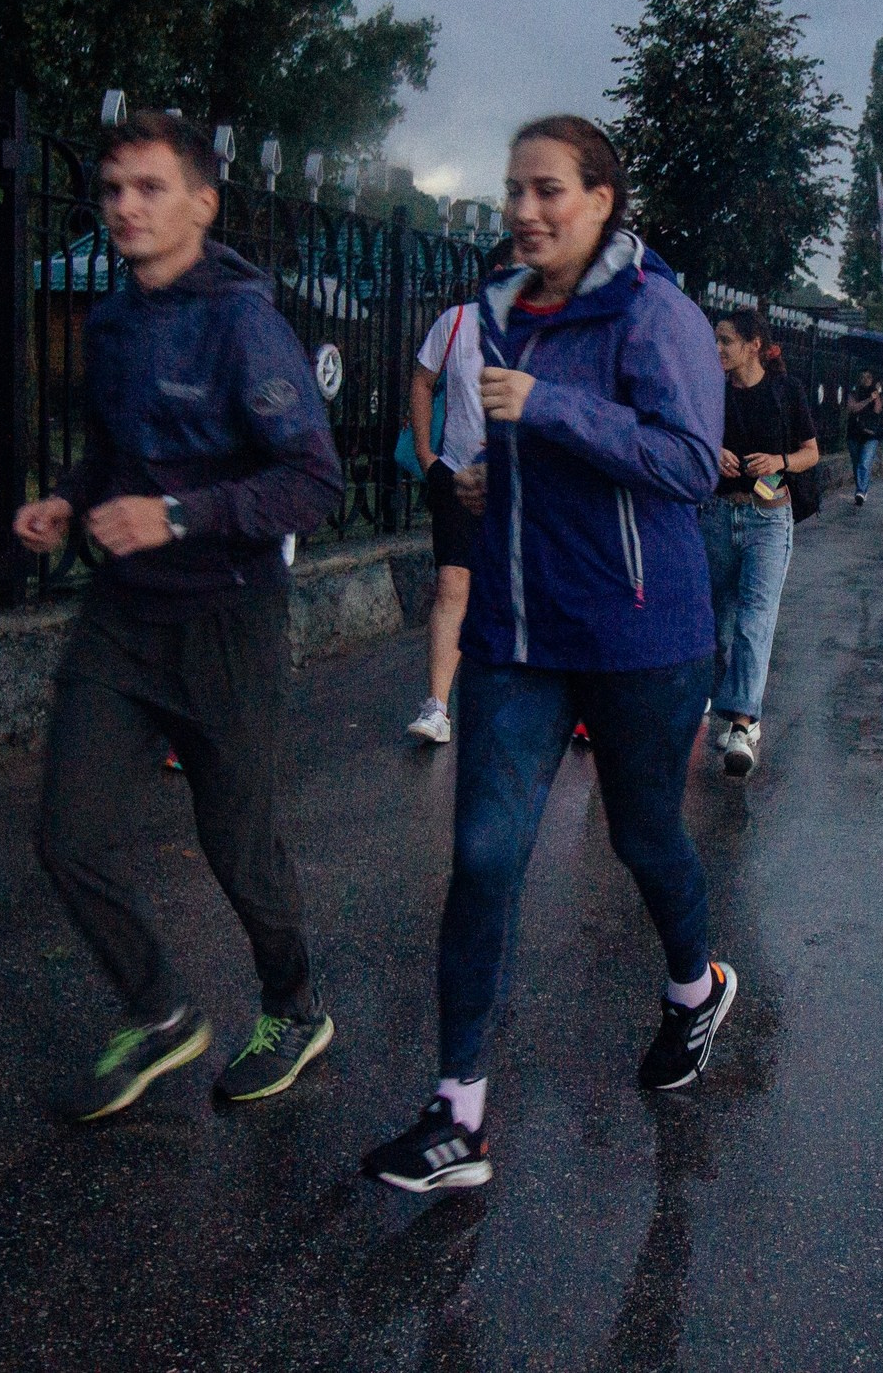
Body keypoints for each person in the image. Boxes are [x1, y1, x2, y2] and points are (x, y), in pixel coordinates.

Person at [364, 116, 735, 1194]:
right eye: (512, 190)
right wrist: (492, 482)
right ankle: (456, 1116)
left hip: (639, 636)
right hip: (518, 633)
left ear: (600, 202)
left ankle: (692, 988)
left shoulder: (653, 314)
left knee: (641, 834)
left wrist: (552, 409)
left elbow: (686, 465)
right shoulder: (498, 313)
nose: (523, 210)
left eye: (546, 191)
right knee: (483, 856)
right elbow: (538, 457)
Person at [12, 110, 343, 1123]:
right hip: (121, 620)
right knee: (67, 834)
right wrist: (71, 499)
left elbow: (312, 482)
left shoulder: (244, 323)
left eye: (148, 188)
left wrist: (175, 515)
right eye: (112, 190)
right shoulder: (110, 324)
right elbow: (116, 450)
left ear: (203, 203)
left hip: (225, 621)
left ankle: (293, 1010)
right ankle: (159, 1014)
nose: (123, 208)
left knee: (237, 843)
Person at [406, 240, 516, 745]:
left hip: (520, 485)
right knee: (452, 587)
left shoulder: (543, 332)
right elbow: (422, 381)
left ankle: (507, 706)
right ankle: (437, 706)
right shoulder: (456, 322)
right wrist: (429, 459)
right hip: (456, 475)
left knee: (511, 594)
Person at [703, 307, 818, 776]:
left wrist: (779, 460)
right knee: (718, 628)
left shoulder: (785, 391)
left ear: (754, 346)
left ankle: (743, 725)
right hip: (716, 515)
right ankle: (724, 708)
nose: (718, 350)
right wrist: (714, 454)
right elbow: (689, 442)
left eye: (726, 341)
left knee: (755, 621)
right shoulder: (712, 391)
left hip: (769, 518)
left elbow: (811, 453)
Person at [843, 373, 883, 504]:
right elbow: (853, 408)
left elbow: (878, 410)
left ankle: (861, 491)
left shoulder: (877, 393)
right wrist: (868, 400)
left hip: (871, 434)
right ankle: (861, 487)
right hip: (854, 433)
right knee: (856, 464)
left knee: (864, 463)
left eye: (869, 377)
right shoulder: (854, 392)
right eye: (864, 377)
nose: (867, 379)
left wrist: (876, 395)